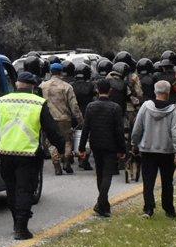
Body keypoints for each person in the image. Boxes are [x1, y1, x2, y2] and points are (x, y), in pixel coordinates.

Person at [0, 72, 66, 239]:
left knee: (12, 189)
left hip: (6, 153)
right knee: (25, 189)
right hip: (28, 153)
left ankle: (16, 222)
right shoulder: (38, 103)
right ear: (33, 87)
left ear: (16, 85)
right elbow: (51, 130)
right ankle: (21, 228)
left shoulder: (2, 101)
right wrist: (61, 147)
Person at [131, 80, 176, 218]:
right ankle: (169, 209)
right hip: (167, 151)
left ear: (155, 91)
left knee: (148, 181)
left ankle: (148, 208)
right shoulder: (173, 110)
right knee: (167, 182)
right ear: (168, 92)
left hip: (147, 149)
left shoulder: (145, 107)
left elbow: (137, 128)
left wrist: (134, 142)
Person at [78, 79, 124, 217]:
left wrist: (81, 148)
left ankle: (104, 205)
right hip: (111, 145)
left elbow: (85, 129)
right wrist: (122, 149)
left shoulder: (91, 107)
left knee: (99, 174)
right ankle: (101, 203)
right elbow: (119, 131)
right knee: (107, 175)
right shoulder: (115, 108)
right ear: (110, 91)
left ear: (97, 90)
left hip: (95, 144)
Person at [41, 62, 82, 175]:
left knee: (50, 142)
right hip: (64, 119)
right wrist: (80, 119)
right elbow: (74, 105)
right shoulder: (67, 86)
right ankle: (66, 160)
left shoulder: (42, 86)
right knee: (68, 141)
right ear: (61, 73)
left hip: (48, 119)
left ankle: (56, 164)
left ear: (50, 72)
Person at [71, 64, 97, 170]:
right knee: (86, 137)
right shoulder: (91, 86)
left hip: (73, 114)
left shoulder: (71, 85)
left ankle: (68, 157)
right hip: (87, 114)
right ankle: (84, 159)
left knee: (70, 137)